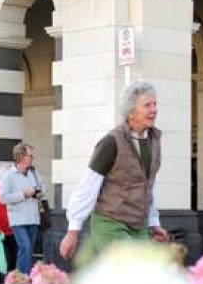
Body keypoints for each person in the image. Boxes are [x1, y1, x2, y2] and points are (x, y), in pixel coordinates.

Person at [60, 81, 170, 261]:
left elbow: (146, 187)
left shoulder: (154, 140)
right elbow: (88, 185)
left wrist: (154, 223)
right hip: (110, 223)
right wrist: (73, 231)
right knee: (129, 275)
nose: (154, 109)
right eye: (147, 105)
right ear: (131, 111)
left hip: (139, 226)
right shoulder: (111, 142)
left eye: (155, 104)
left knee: (143, 281)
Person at [0, 143, 43, 274]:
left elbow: (42, 187)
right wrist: (23, 194)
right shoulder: (8, 175)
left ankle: (23, 280)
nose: (32, 158)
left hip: (33, 218)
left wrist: (39, 193)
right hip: (18, 220)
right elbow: (3, 198)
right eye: (30, 155)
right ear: (22, 156)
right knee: (26, 247)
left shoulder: (34, 173)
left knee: (28, 251)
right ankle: (19, 282)